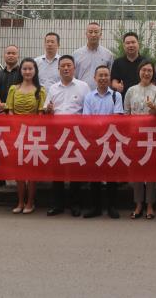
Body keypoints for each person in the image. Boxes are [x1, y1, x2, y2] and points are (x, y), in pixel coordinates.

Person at [44, 55, 91, 217]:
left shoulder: (83, 86)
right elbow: (47, 109)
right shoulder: (53, 88)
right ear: (58, 69)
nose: (66, 68)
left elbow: (88, 109)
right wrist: (48, 110)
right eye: (63, 66)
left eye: (69, 65)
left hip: (76, 133)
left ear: (74, 68)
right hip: (58, 134)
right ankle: (57, 204)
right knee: (57, 169)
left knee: (75, 170)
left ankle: (75, 204)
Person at [82, 65, 124, 219]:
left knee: (112, 175)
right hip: (94, 140)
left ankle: (112, 206)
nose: (103, 78)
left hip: (111, 140)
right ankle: (96, 207)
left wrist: (100, 124)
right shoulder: (89, 97)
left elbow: (117, 118)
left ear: (110, 78)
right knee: (95, 176)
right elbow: (87, 120)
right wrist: (99, 127)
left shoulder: (116, 96)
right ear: (95, 78)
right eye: (100, 75)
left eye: (106, 75)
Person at [6, 58, 46, 215]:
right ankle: (20, 202)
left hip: (33, 135)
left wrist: (31, 129)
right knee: (19, 171)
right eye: (25, 69)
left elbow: (41, 114)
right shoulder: (13, 89)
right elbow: (10, 111)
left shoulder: (40, 90)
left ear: (35, 71)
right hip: (16, 134)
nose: (27, 71)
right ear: (20, 71)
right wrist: (16, 127)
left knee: (31, 171)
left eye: (30, 69)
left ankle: (30, 202)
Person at [124, 60, 156, 220]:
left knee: (151, 170)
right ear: (139, 71)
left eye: (149, 70)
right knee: (137, 170)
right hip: (135, 135)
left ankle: (150, 204)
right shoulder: (131, 90)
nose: (146, 73)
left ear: (153, 73)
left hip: (152, 134)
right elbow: (126, 113)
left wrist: (153, 106)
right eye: (144, 70)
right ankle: (138, 204)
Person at [74, 22, 114, 91]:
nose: (93, 35)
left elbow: (110, 76)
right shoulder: (76, 54)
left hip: (102, 93)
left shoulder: (108, 55)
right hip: (81, 92)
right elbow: (74, 76)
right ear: (86, 34)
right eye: (90, 32)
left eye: (96, 32)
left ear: (100, 35)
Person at [111, 31, 144, 98]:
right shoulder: (117, 62)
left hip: (142, 99)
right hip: (122, 99)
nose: (130, 45)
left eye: (133, 42)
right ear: (124, 46)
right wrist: (117, 86)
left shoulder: (145, 62)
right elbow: (114, 81)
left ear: (138, 44)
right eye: (128, 43)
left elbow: (152, 82)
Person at [0, 45, 22, 112]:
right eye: (8, 53)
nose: (11, 55)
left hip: (18, 111)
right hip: (1, 111)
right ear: (4, 56)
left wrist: (7, 105)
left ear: (18, 56)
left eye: (13, 53)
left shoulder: (23, 73)